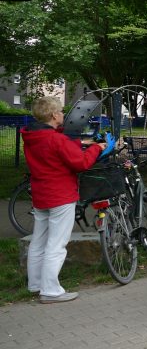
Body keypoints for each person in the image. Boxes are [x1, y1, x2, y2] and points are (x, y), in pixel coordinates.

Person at [22, 96, 108, 303]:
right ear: (53, 115)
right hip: (60, 195)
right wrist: (97, 148)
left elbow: (58, 146)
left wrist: (80, 142)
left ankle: (35, 284)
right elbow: (80, 163)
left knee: (39, 240)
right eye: (60, 111)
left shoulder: (32, 136)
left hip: (41, 194)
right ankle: (50, 290)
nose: (62, 113)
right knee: (57, 244)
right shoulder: (56, 139)